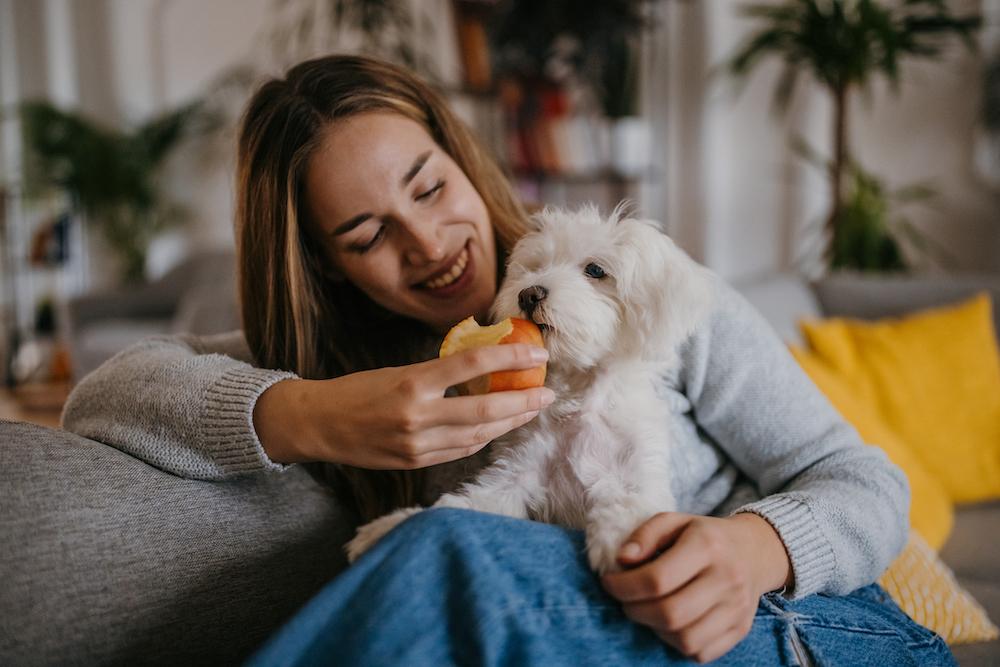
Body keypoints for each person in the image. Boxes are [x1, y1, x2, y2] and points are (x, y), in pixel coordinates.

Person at [61, 54, 955, 666]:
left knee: (450, 549)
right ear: (325, 266)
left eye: (430, 186)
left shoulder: (646, 298)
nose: (428, 244)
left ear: (464, 156)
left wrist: (755, 549)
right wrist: (315, 412)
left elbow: (867, 485)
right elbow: (104, 394)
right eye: (369, 233)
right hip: (580, 631)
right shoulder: (354, 366)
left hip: (799, 628)